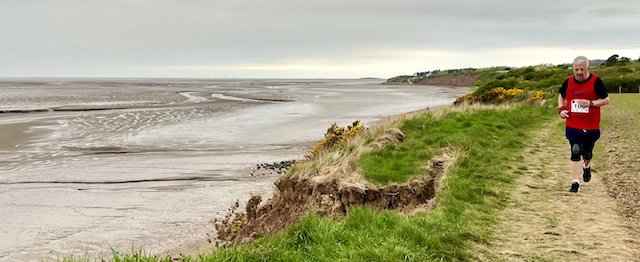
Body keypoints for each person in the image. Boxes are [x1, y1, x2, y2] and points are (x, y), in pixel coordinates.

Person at [558, 56, 609, 193]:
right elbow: (561, 96)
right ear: (573, 69)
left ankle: (586, 166)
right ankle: (575, 182)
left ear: (588, 68)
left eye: (582, 69)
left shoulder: (595, 81)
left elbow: (605, 100)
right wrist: (561, 109)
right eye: (576, 69)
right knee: (575, 150)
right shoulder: (568, 82)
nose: (579, 72)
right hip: (573, 124)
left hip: (591, 125)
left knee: (587, 152)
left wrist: (591, 103)